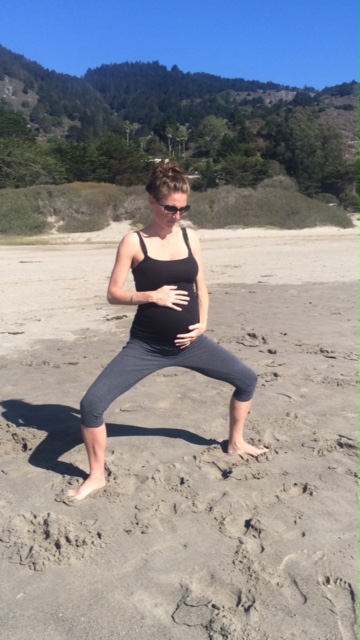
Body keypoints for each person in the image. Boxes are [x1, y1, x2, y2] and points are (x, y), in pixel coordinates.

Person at [68, 163, 268, 502]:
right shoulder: (133, 242)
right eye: (170, 208)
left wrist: (202, 322)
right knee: (91, 405)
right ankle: (97, 475)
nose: (177, 215)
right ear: (151, 201)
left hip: (192, 344)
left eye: (183, 208)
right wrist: (151, 295)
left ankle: (235, 442)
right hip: (146, 346)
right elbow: (113, 293)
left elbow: (202, 287)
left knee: (247, 379)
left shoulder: (190, 237)